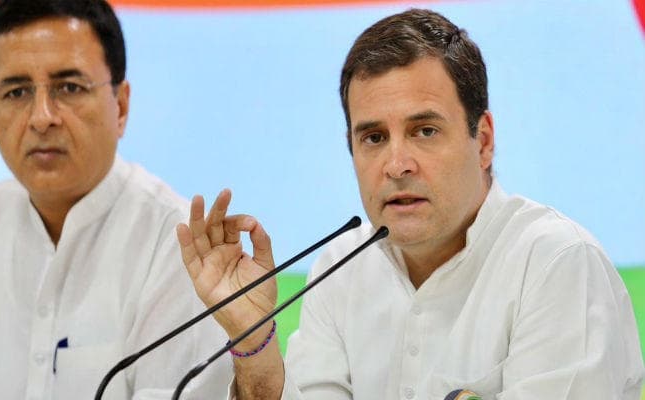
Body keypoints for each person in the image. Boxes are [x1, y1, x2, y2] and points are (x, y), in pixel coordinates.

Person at [177, 8, 644, 400]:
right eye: (374, 137)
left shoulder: (557, 265)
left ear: (483, 141)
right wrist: (256, 342)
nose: (397, 165)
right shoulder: (340, 269)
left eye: (425, 131)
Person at [0, 0, 233, 398]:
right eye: (16, 92)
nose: (41, 117)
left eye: (69, 88)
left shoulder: (176, 246)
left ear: (120, 107)